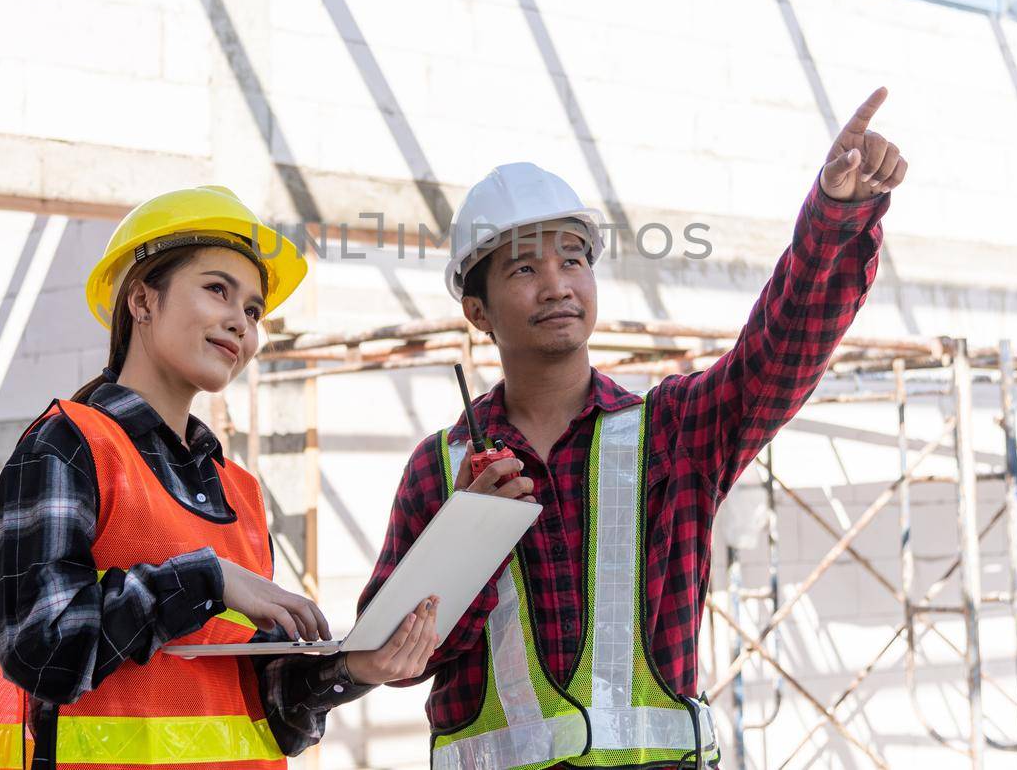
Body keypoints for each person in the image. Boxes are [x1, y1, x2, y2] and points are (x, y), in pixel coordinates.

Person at [360, 88, 906, 769]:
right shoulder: (438, 470)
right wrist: (468, 535)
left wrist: (837, 218)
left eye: (574, 260)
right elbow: (385, 658)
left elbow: (783, 347)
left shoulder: (673, 434)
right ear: (478, 311)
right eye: (525, 269)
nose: (558, 284)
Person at [0, 186, 439, 769]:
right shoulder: (68, 446)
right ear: (142, 301)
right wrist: (205, 579)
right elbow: (42, 651)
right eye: (218, 289)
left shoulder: (238, 491)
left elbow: (265, 711)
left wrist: (353, 669)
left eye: (252, 310)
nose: (240, 323)